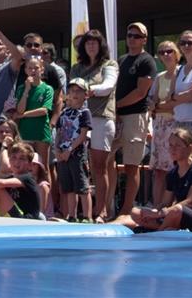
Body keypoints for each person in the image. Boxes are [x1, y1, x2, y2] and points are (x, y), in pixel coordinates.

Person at [116, 128, 192, 236]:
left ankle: (157, 234)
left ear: (191, 147)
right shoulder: (172, 173)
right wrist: (153, 213)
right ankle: (164, 228)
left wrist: (161, 213)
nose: (173, 149)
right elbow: (165, 203)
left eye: (178, 146)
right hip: (179, 217)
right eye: (171, 145)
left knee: (176, 210)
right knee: (136, 212)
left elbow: (190, 202)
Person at [70, 29, 118, 221]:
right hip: (77, 119)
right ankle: (76, 213)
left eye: (94, 42)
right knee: (77, 166)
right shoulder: (76, 67)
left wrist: (87, 90)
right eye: (87, 42)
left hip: (101, 119)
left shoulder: (110, 64)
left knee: (99, 167)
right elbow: (71, 91)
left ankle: (102, 211)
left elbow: (108, 86)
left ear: (101, 45)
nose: (91, 45)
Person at [114, 22, 157, 215]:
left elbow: (141, 93)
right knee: (106, 162)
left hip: (135, 116)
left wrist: (117, 105)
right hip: (116, 117)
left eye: (137, 36)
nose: (132, 39)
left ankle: (126, 209)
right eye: (129, 35)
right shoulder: (121, 60)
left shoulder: (147, 61)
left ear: (144, 40)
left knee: (132, 166)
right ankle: (108, 206)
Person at [56, 78, 93, 223]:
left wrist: (70, 150)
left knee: (82, 186)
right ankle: (72, 215)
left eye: (79, 91)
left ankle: (87, 216)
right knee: (69, 187)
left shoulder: (84, 112)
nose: (75, 94)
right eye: (72, 91)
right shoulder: (64, 112)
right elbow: (59, 132)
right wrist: (58, 150)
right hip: (63, 153)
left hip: (77, 153)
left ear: (85, 94)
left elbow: (83, 135)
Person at [149, 40, 181, 203]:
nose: (166, 55)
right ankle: (157, 206)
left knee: (175, 168)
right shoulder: (159, 77)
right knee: (159, 171)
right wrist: (162, 105)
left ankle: (172, 205)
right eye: (162, 52)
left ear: (176, 53)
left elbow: (175, 103)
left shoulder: (181, 73)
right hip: (159, 127)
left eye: (169, 51)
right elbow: (152, 103)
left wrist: (160, 105)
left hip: (174, 126)